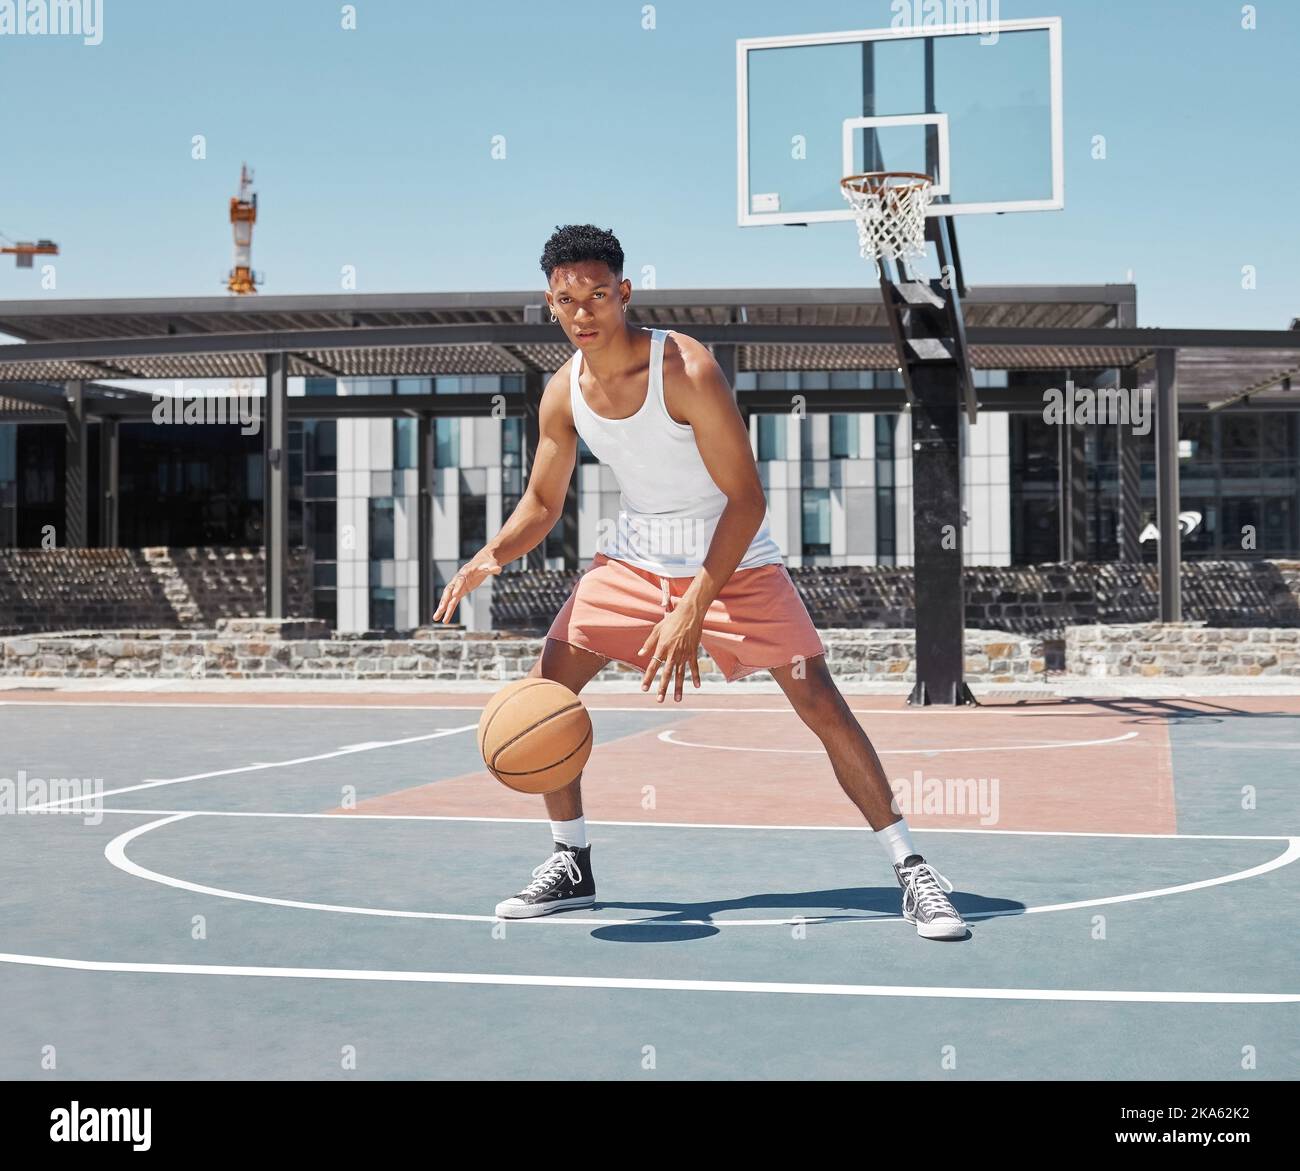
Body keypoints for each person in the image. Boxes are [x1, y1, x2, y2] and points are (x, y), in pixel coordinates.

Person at [434, 224, 967, 941]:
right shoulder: (564, 393)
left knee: (819, 699)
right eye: (567, 299)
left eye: (597, 295)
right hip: (634, 558)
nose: (584, 311)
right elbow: (542, 503)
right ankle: (572, 862)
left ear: (624, 292)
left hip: (732, 555)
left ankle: (912, 867)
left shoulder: (684, 368)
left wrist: (693, 605)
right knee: (547, 690)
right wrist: (488, 557)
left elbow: (747, 498)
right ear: (550, 304)